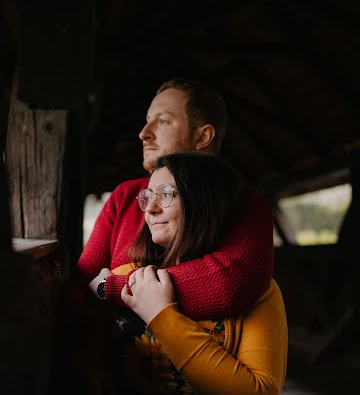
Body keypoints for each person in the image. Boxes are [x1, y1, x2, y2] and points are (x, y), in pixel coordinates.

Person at [99, 152, 287, 395]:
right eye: (146, 197)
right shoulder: (124, 280)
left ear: (203, 201)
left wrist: (162, 316)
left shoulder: (256, 293)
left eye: (166, 194)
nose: (149, 208)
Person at [75, 78, 274, 321]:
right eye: (147, 121)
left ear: (203, 137)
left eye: (163, 121)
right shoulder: (125, 197)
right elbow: (83, 285)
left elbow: (226, 287)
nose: (144, 134)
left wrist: (111, 288)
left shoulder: (246, 204)